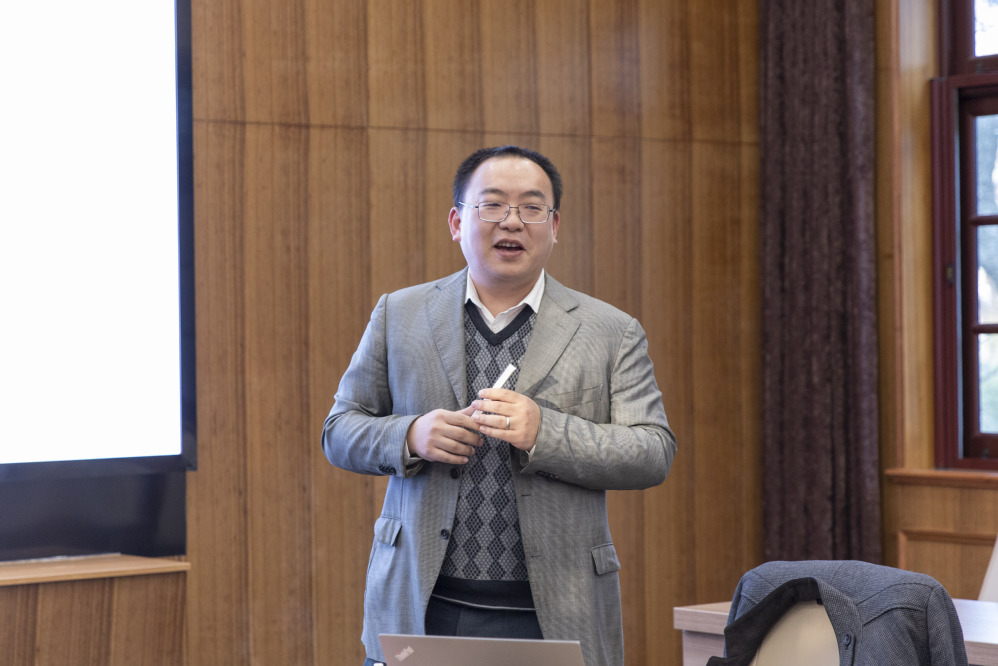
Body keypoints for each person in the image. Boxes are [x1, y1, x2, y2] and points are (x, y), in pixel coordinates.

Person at [321, 145, 677, 666]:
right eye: (492, 204)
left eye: (532, 207)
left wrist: (545, 432)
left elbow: (652, 451)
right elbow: (339, 430)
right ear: (456, 222)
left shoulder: (610, 331)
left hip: (557, 609)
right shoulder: (400, 313)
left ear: (554, 225)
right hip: (423, 603)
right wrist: (411, 436)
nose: (512, 221)